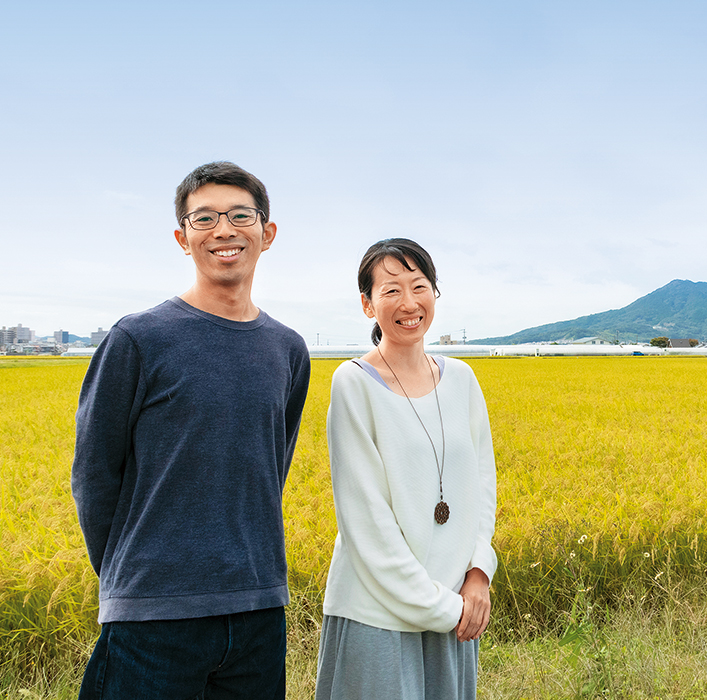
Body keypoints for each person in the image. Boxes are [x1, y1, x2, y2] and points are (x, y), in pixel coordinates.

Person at [71, 161, 311, 699]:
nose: (223, 230)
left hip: (258, 610)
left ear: (266, 233)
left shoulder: (288, 349)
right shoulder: (137, 339)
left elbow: (273, 466)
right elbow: (93, 474)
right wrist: (130, 577)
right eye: (204, 219)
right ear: (183, 238)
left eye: (240, 215)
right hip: (153, 614)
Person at [316, 238, 497, 700]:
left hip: (455, 603)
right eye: (391, 290)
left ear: (435, 294)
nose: (409, 303)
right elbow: (366, 520)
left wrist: (478, 572)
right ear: (367, 304)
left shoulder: (462, 379)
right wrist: (441, 607)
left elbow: (481, 482)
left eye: (420, 286)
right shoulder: (354, 383)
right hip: (378, 611)